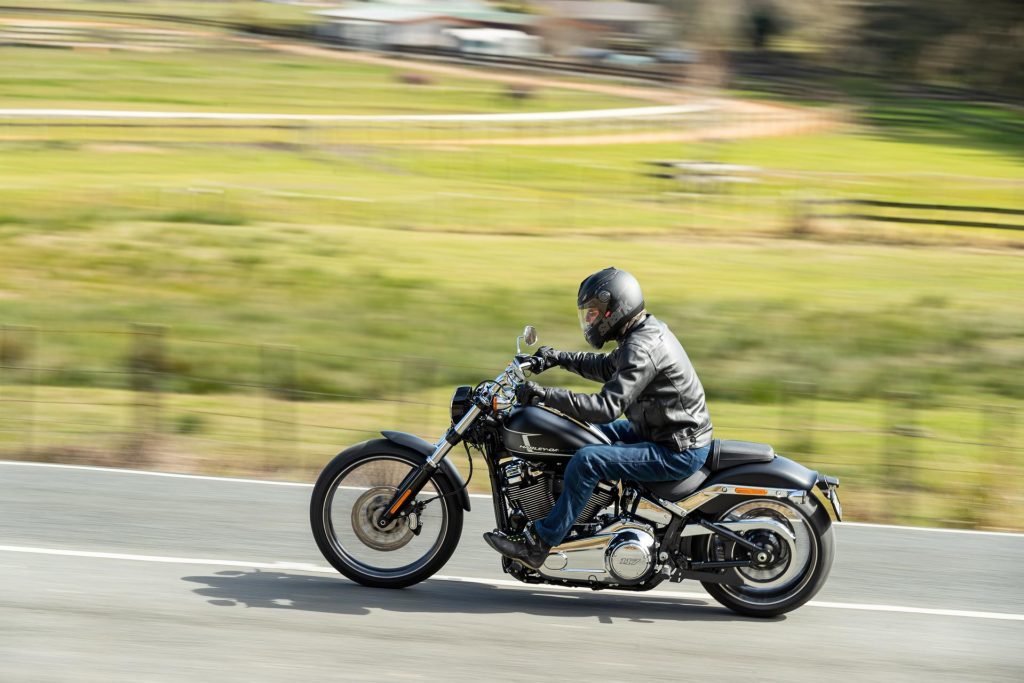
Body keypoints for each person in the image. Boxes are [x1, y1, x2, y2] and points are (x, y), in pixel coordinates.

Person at [483, 267, 713, 569]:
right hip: (660, 431)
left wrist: (546, 396)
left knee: (588, 460)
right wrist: (556, 358)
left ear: (614, 310)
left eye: (593, 314)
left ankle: (538, 544)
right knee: (581, 431)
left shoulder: (641, 347)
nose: (589, 321)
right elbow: (606, 367)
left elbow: (606, 406)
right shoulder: (641, 333)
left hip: (676, 450)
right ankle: (574, 511)